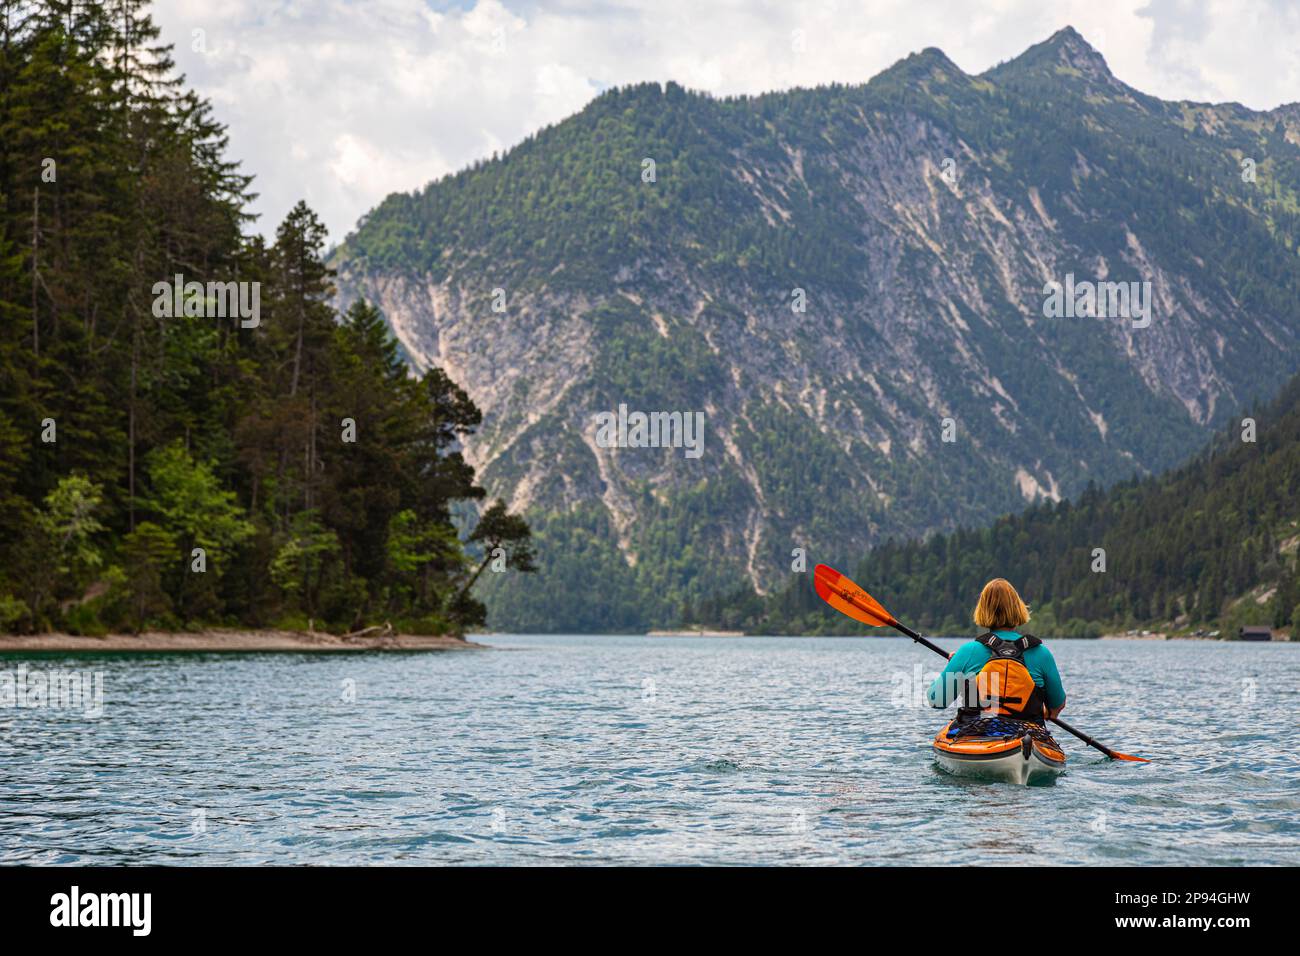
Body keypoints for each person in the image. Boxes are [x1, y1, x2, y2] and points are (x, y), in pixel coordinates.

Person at [927, 578, 1065, 723]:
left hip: (977, 735)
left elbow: (937, 700)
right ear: (1018, 608)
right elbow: (1057, 706)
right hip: (1027, 735)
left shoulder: (968, 652)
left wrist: (955, 664)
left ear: (982, 610)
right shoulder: (1041, 653)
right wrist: (1045, 712)